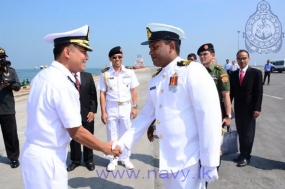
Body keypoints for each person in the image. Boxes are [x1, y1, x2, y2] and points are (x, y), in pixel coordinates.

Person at [113, 23, 221, 189]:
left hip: (190, 161)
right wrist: (122, 144)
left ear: (171, 46)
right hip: (168, 161)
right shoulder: (156, 80)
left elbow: (209, 118)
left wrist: (210, 162)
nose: (150, 52)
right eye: (150, 47)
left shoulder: (193, 71)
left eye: (155, 46)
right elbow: (145, 117)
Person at [21, 25, 121, 189]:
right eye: (83, 51)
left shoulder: (42, 76)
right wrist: (106, 148)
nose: (87, 57)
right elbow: (75, 131)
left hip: (33, 154)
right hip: (48, 160)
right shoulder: (62, 84)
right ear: (67, 52)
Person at [98, 46, 139, 172]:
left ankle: (125, 158)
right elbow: (102, 94)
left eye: (119, 57)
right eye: (114, 57)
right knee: (112, 134)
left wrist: (134, 107)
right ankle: (113, 159)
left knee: (126, 134)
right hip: (111, 107)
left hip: (126, 106)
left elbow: (133, 91)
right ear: (110, 59)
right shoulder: (105, 74)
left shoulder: (129, 72)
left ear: (123, 58)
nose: (117, 59)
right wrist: (103, 112)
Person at [230, 49, 263, 167]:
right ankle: (241, 153)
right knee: (241, 131)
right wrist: (229, 108)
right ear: (237, 60)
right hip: (238, 108)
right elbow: (231, 94)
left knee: (248, 133)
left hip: (250, 109)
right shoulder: (233, 75)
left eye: (244, 58)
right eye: (239, 58)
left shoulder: (256, 73)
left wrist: (257, 108)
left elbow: (258, 92)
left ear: (249, 58)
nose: (242, 60)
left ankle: (246, 156)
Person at [67, 71, 98, 172]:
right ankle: (75, 160)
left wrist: (93, 111)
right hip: (72, 114)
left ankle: (88, 160)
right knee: (74, 138)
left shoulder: (88, 76)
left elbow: (93, 95)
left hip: (87, 113)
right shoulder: (66, 76)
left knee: (88, 137)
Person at [0, 47, 21, 168]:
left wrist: (10, 85)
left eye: (3, 57)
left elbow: (18, 86)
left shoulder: (10, 71)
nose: (2, 60)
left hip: (7, 108)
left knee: (10, 135)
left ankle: (13, 158)